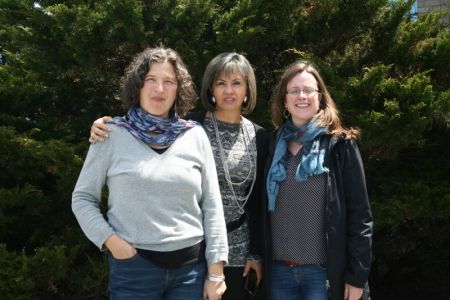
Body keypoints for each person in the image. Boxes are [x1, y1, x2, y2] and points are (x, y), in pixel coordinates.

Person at [89, 52, 270, 300]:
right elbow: (149, 123)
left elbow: (255, 201)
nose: (229, 91)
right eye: (221, 83)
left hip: (224, 252)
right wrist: (103, 126)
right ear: (210, 88)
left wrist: (254, 253)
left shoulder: (254, 136)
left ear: (248, 89)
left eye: (237, 83)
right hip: (173, 255)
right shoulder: (191, 126)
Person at [72, 47, 228, 300]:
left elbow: (212, 205)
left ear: (179, 89)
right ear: (138, 86)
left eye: (169, 82)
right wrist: (112, 242)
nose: (160, 89)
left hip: (191, 273)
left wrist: (216, 272)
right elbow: (82, 198)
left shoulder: (194, 135)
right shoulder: (110, 133)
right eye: (151, 80)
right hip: (134, 270)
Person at [262, 61, 373, 300]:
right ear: (284, 100)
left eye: (308, 90)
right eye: (294, 91)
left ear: (320, 97)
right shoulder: (272, 145)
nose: (301, 96)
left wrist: (357, 278)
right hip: (280, 273)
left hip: (323, 275)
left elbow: (360, 217)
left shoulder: (340, 146)